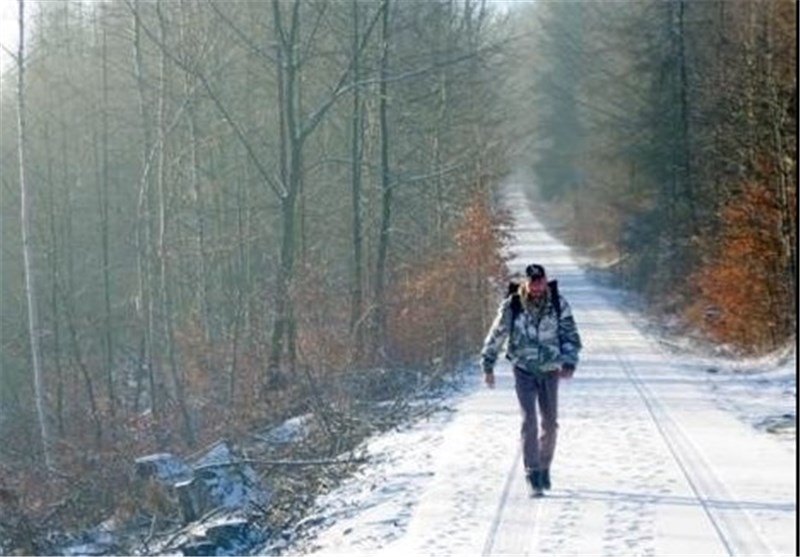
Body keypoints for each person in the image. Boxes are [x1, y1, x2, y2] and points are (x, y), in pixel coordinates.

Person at [480, 263, 582, 496]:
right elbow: (497, 334)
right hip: (523, 369)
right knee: (529, 421)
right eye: (532, 284)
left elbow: (570, 334)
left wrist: (569, 361)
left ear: (546, 281)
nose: (537, 288)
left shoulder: (558, 304)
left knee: (550, 424)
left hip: (549, 369)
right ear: (526, 283)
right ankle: (532, 471)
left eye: (540, 283)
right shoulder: (513, 305)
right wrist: (488, 365)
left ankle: (545, 466)